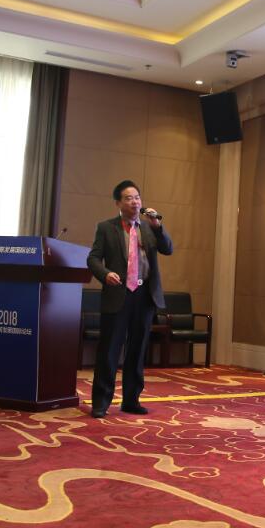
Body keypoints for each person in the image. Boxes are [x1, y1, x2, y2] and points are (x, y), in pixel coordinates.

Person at [87, 179, 173, 418]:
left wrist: (158, 226)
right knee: (109, 351)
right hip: (118, 293)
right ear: (118, 203)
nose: (135, 202)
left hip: (144, 296)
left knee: (137, 350)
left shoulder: (149, 227)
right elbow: (93, 258)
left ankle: (131, 400)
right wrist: (105, 274)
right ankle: (101, 403)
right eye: (128, 198)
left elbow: (168, 249)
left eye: (137, 197)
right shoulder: (106, 228)